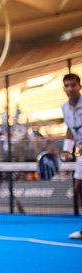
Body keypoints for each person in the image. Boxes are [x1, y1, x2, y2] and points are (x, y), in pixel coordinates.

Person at [60, 73, 82, 240]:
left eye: (73, 85)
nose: (70, 89)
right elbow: (70, 129)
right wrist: (67, 150)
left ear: (79, 86)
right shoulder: (65, 108)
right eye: (66, 86)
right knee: (79, 187)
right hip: (81, 152)